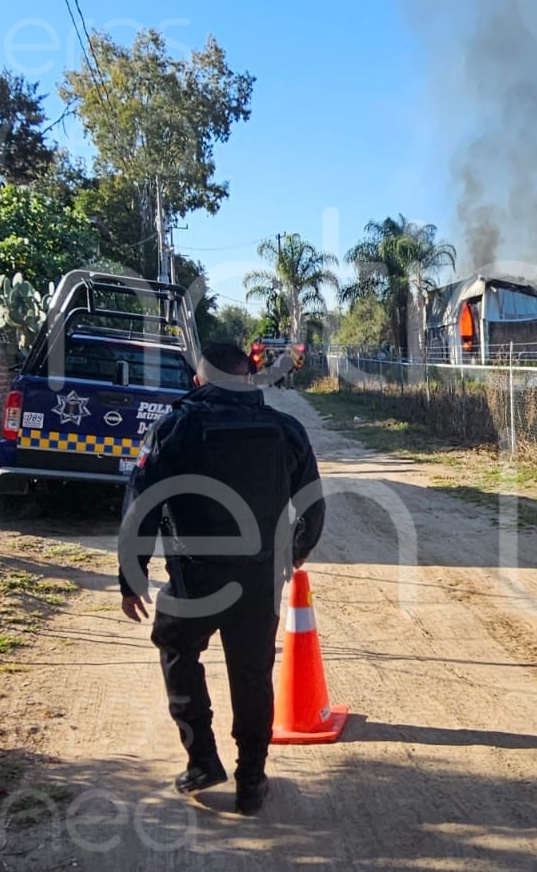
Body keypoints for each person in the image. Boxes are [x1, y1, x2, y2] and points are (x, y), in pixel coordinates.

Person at [117, 342, 325, 815]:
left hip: (195, 578)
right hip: (259, 579)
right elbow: (313, 506)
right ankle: (251, 780)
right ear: (249, 380)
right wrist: (292, 557)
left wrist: (133, 576)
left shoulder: (175, 427)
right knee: (252, 676)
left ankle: (203, 760)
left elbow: (141, 505)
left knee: (176, 648)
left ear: (201, 380)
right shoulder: (285, 429)